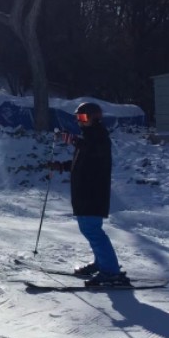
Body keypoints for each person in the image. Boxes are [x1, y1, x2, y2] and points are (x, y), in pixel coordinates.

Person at [50, 102, 130, 287]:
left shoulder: (97, 137)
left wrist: (69, 138)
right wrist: (62, 166)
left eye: (83, 118)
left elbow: (87, 149)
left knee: (92, 230)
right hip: (86, 191)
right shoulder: (90, 136)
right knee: (90, 229)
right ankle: (102, 263)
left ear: (94, 118)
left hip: (92, 192)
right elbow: (82, 160)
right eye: (77, 118)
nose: (79, 121)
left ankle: (111, 271)